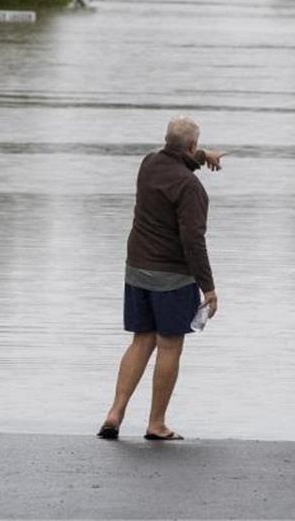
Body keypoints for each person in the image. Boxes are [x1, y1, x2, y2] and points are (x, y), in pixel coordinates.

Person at [97, 115, 224, 441]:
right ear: (193, 145)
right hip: (172, 276)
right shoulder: (190, 187)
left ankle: (115, 412)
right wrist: (208, 287)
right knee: (169, 346)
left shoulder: (149, 163)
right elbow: (193, 241)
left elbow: (174, 155)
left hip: (137, 268)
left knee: (141, 340)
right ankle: (156, 423)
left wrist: (199, 156)